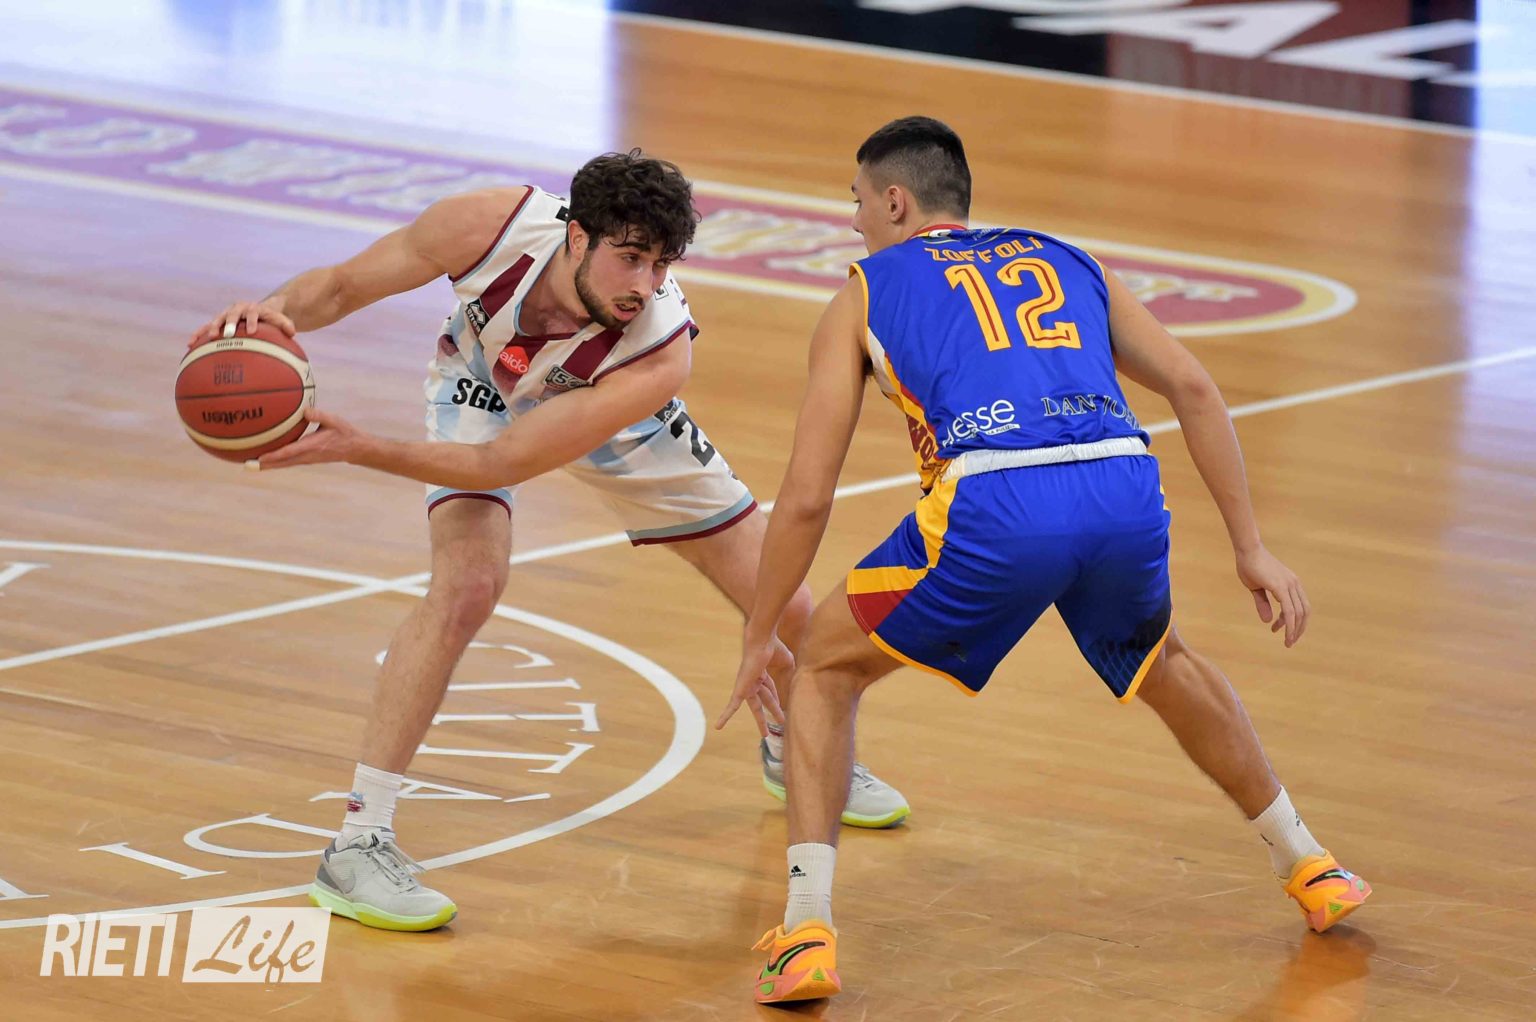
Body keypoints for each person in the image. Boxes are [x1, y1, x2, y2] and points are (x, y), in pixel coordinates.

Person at [718, 117, 1370, 1004]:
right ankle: (1312, 864)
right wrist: (1249, 547)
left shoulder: (864, 292)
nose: (855, 221)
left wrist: (761, 631)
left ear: (897, 202)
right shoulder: (1069, 257)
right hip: (1122, 485)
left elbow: (804, 496)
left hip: (995, 503)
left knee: (824, 669)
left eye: (859, 202)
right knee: (1166, 662)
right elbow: (1193, 386)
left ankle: (804, 932)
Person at [191, 150, 908, 932]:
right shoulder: (484, 226)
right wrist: (267, 317)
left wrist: (358, 447)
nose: (645, 284)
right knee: (467, 586)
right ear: (576, 236)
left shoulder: (659, 349)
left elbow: (502, 466)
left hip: (615, 418)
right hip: (481, 388)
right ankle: (358, 845)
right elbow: (336, 287)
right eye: (630, 258)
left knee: (791, 610)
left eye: (661, 265)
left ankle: (793, 743)